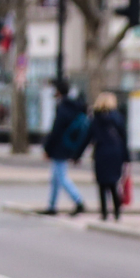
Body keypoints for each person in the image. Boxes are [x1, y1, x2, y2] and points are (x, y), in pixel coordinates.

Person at [41, 83, 90, 215]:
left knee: (61, 177)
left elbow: (56, 129)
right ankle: (52, 206)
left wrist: (47, 147)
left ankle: (78, 201)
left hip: (59, 146)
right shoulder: (75, 106)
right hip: (68, 145)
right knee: (56, 178)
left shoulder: (63, 107)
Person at [84, 92, 130, 221]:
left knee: (102, 184)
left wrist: (77, 155)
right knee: (114, 183)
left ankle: (104, 213)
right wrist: (127, 158)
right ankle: (117, 212)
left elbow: (88, 138)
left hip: (101, 153)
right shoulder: (119, 118)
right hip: (116, 153)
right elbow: (124, 139)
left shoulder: (95, 119)